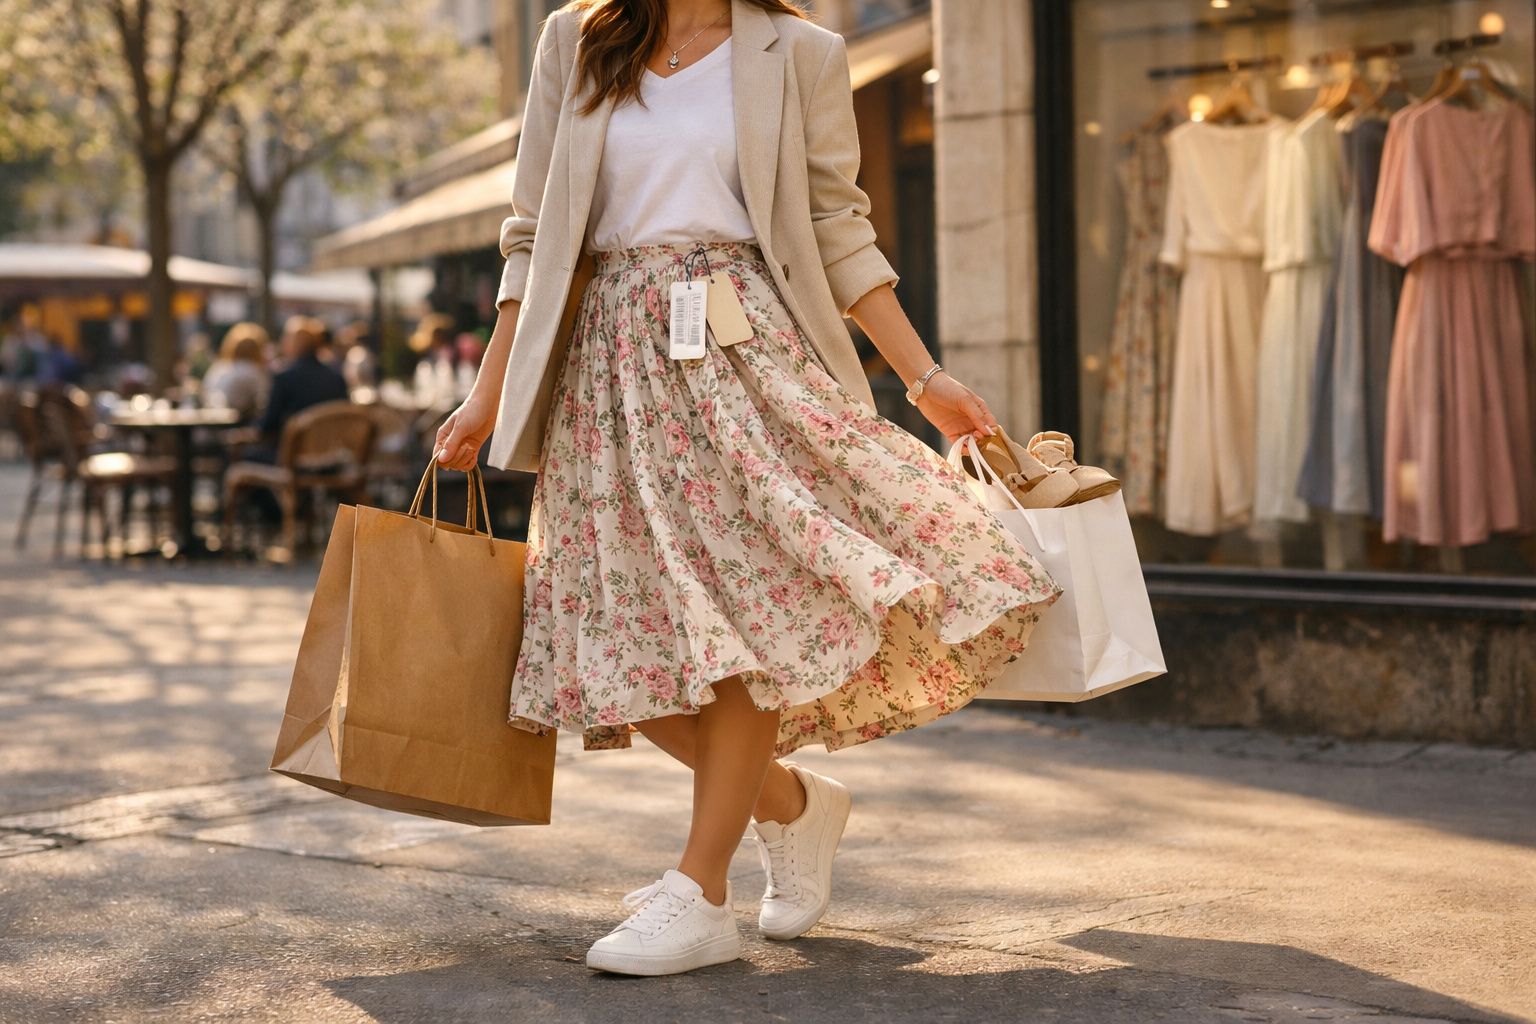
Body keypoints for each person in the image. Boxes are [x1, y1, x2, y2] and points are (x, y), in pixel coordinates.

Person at [433, 0, 1061, 977]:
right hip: (606, 367)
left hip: (741, 355)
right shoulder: (579, 38)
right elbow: (531, 233)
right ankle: (790, 807)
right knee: (608, 634)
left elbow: (836, 224)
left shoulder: (801, 53)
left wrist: (923, 376)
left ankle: (700, 888)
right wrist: (487, 391)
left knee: (741, 621)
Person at [248, 315, 349, 460]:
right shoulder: (337, 378)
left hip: (293, 460)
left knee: (244, 458)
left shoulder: (285, 378)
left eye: (286, 338)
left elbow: (268, 425)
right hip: (330, 459)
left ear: (293, 343)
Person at [203, 323, 273, 424]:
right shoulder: (254, 371)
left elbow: (206, 393)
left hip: (209, 425)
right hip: (235, 427)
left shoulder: (218, 368)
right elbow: (266, 401)